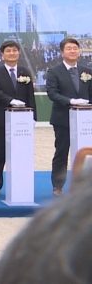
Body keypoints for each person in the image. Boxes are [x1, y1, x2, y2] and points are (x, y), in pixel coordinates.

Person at [0, 40, 37, 197]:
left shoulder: (25, 72)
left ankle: (20, 183)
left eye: (14, 50)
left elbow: (30, 95)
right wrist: (11, 101)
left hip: (22, 120)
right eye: (8, 51)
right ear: (2, 55)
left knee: (21, 153)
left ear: (19, 53)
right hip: (2, 118)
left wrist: (33, 116)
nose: (12, 53)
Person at [45, 37, 92, 196]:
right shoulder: (54, 72)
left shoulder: (87, 71)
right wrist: (71, 101)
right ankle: (58, 186)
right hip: (63, 119)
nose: (73, 51)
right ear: (62, 52)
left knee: (86, 153)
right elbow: (52, 93)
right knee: (62, 152)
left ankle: (85, 187)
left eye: (75, 48)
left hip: (85, 120)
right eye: (69, 48)